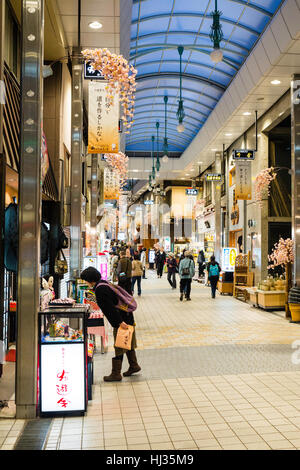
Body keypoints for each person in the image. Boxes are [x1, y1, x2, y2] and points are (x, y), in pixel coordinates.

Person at [80, 267, 141, 382]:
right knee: (127, 342)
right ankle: (134, 365)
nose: (85, 283)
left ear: (90, 279)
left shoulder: (100, 289)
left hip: (122, 319)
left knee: (120, 345)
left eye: (85, 280)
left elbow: (109, 309)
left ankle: (116, 373)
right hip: (127, 315)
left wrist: (119, 323)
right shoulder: (104, 283)